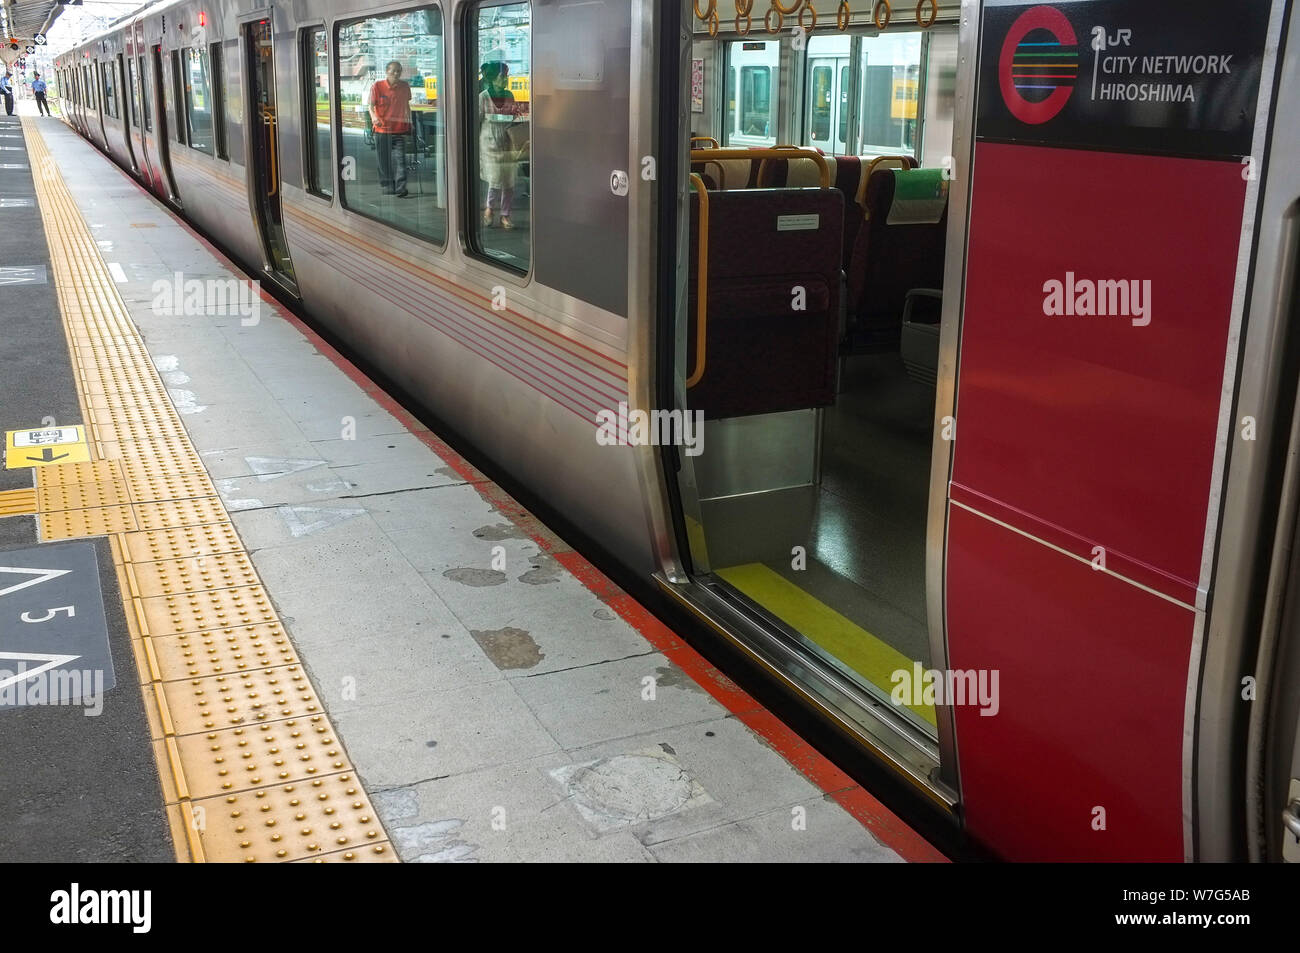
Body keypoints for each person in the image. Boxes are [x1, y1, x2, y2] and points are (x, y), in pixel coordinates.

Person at [478, 61, 521, 230]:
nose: (506, 79)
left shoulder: (509, 95)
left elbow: (513, 116)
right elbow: (477, 120)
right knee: (495, 178)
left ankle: (505, 214)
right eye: (503, 76)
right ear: (492, 78)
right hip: (489, 142)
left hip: (507, 140)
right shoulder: (483, 97)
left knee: (509, 180)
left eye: (506, 76)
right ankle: (489, 208)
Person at [367, 60, 412, 197]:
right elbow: (370, 106)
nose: (396, 73)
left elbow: (407, 106)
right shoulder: (377, 86)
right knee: (383, 161)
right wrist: (374, 117)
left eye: (399, 71)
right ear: (387, 71)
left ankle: (400, 187)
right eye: (393, 71)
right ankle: (387, 185)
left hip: (400, 129)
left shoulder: (405, 87)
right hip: (382, 130)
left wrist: (410, 121)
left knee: (401, 160)